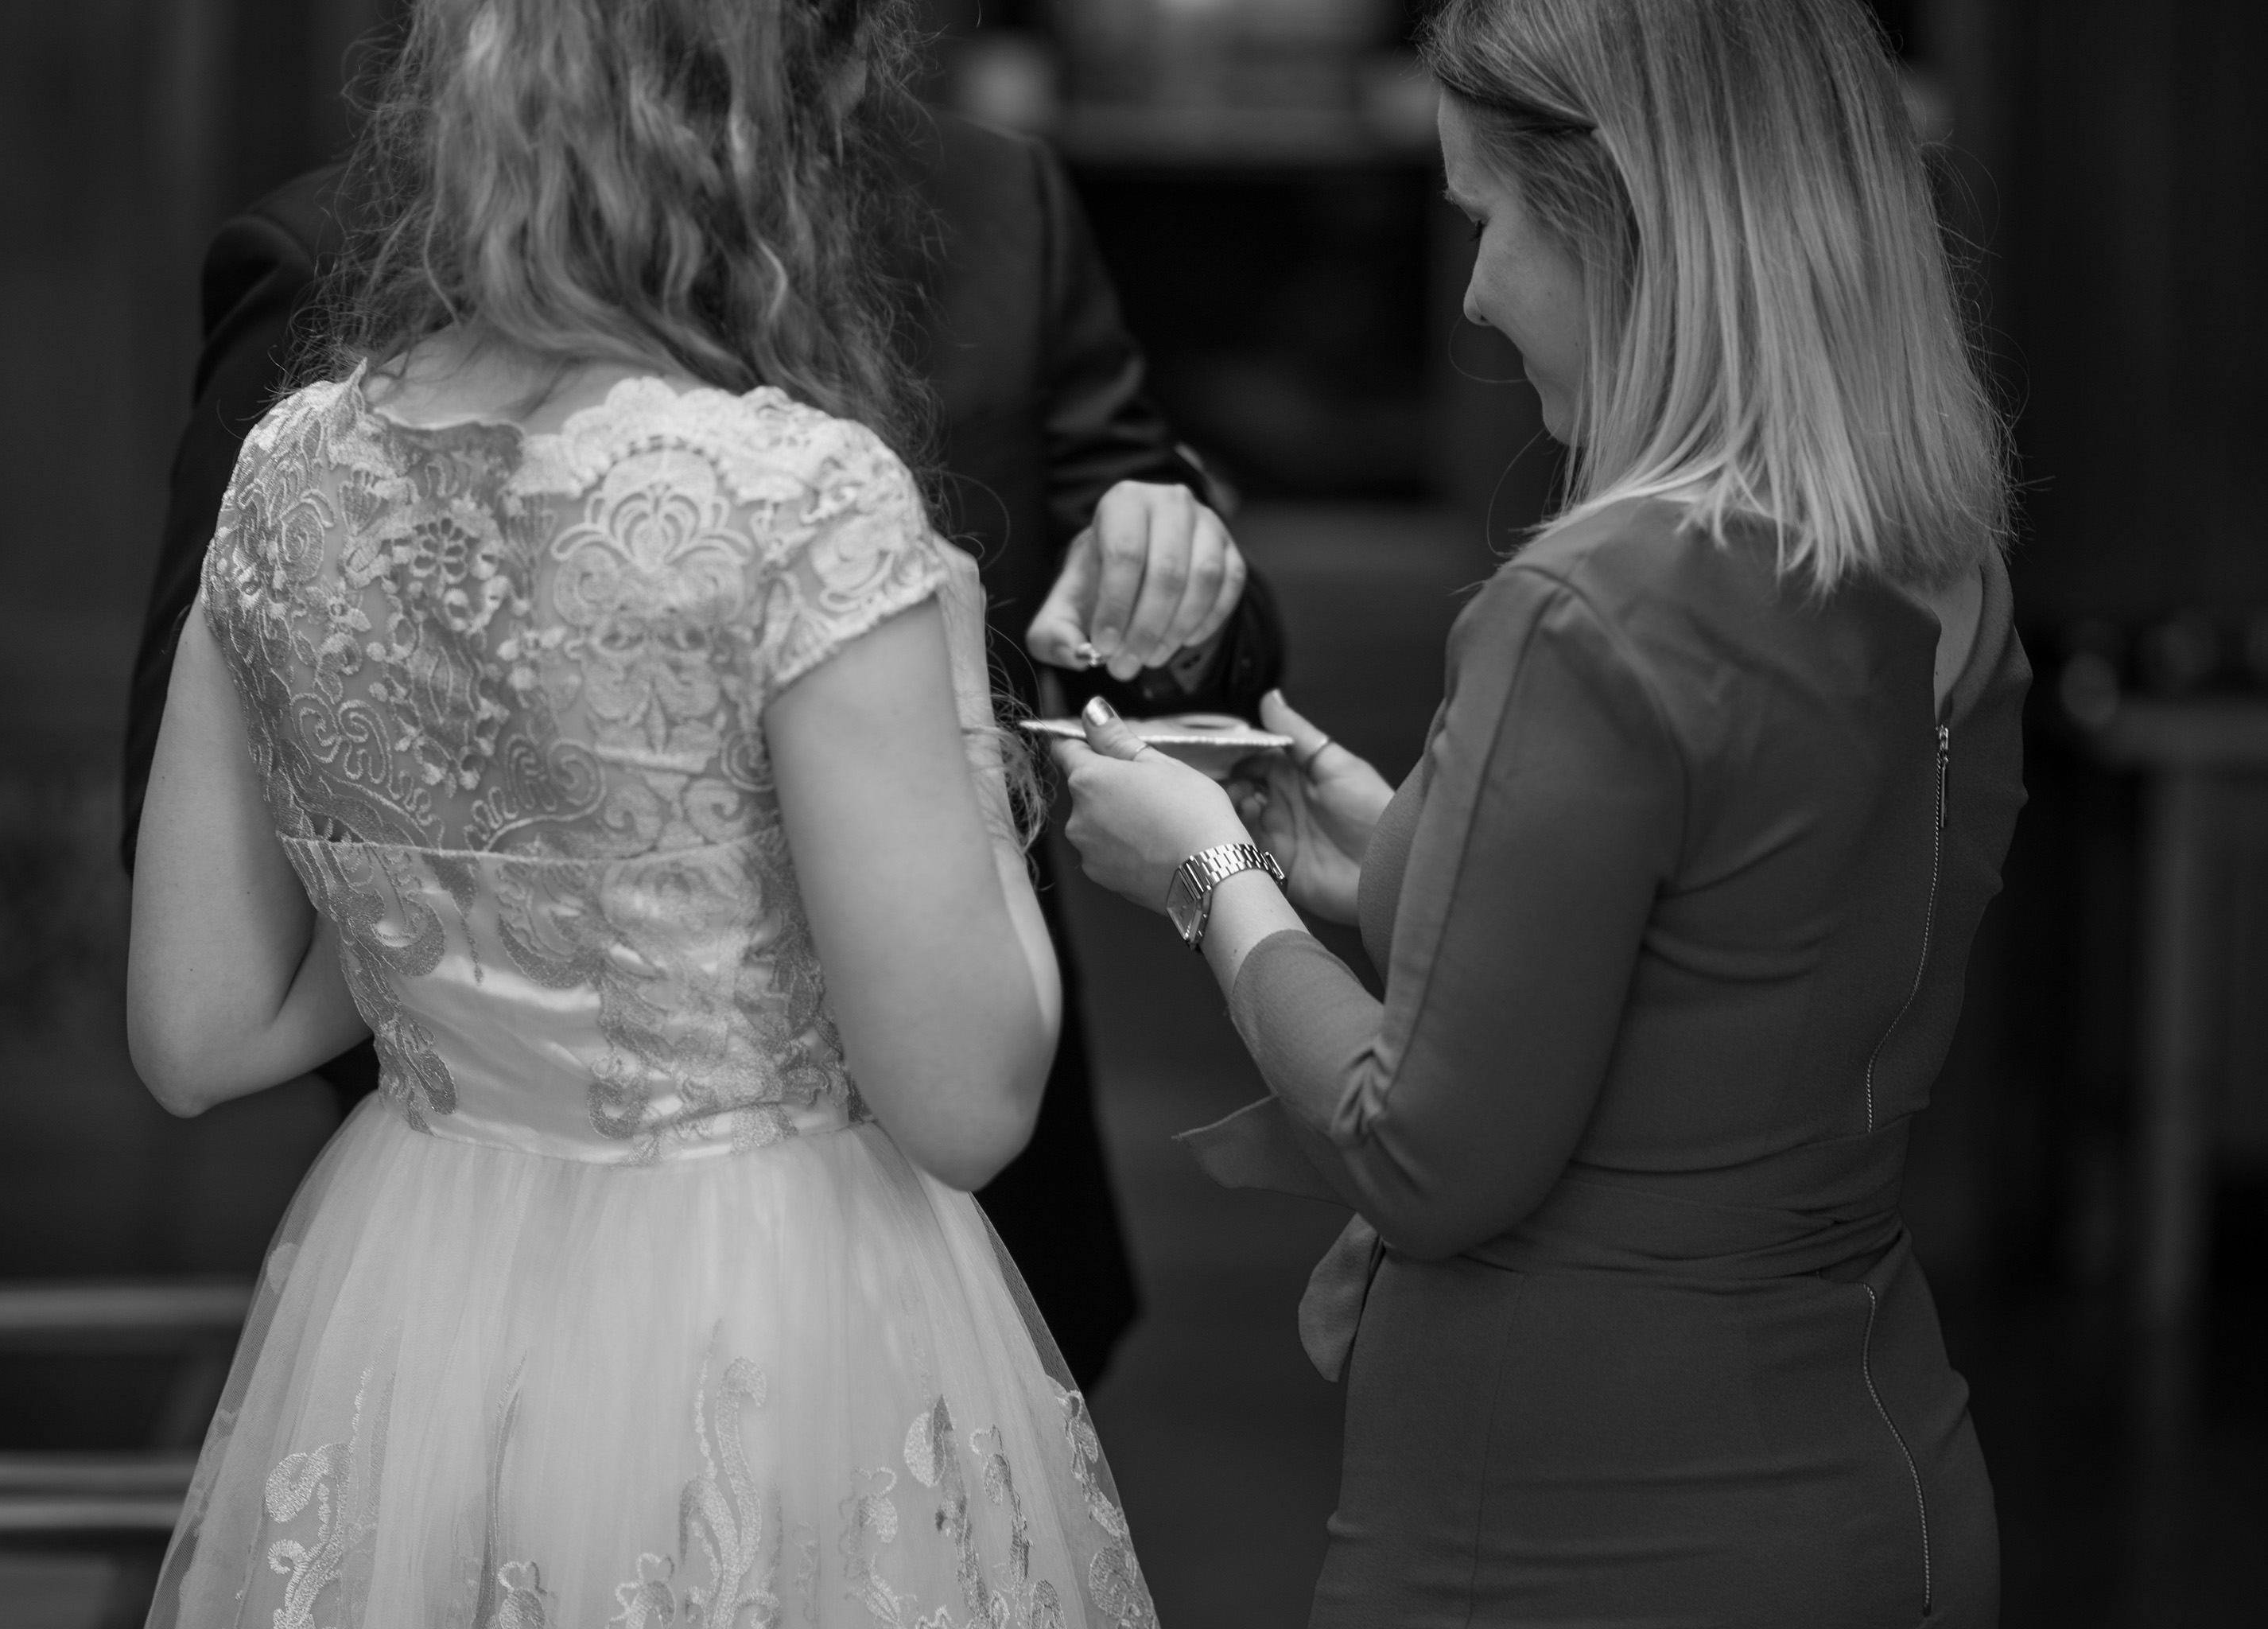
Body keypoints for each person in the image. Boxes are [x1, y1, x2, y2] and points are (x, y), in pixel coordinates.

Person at [126, 2, 1161, 1621]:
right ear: (764, 129)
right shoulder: (798, 501)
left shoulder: (289, 474)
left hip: (418, 1289)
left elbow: (197, 1032)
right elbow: (965, 1105)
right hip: (759, 1303)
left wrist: (457, 907)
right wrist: (958, 680)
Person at [1050, 0, 2023, 1623]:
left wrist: (1208, 873)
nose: (1475, 296)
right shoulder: (1938, 566)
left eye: (1483, 220)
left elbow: (1419, 1154)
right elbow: (1743, 934)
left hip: (1582, 1525)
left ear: (1621, 217)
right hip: (1876, 1475)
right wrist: (1394, 847)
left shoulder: (1597, 604)